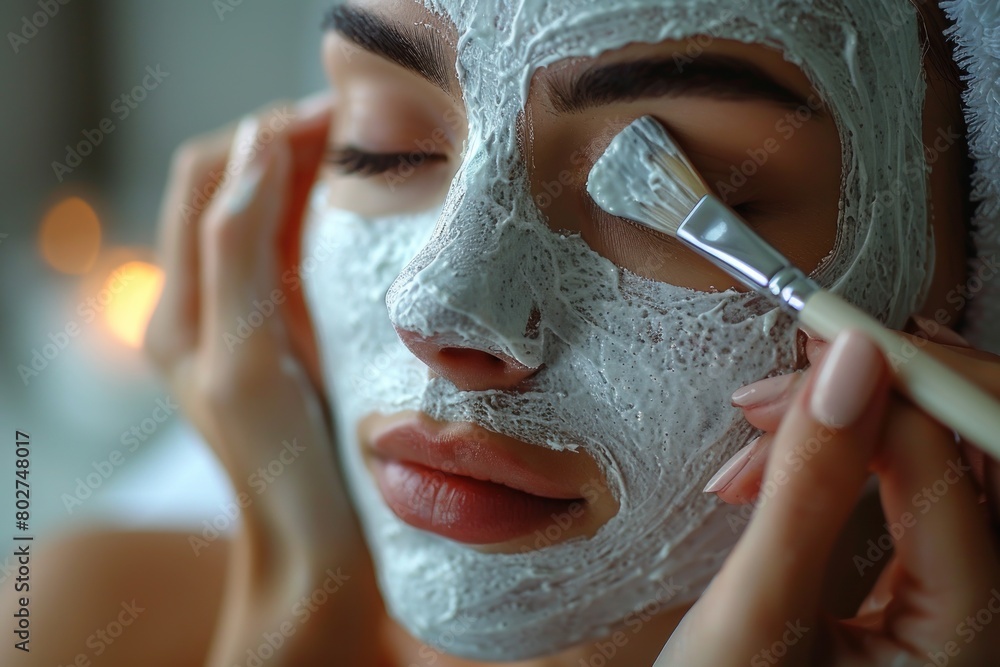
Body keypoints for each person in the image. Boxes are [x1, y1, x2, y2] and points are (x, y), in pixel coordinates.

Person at [12, 1, 1000, 665]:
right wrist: (295, 606)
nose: (436, 307)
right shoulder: (80, 620)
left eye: (707, 183)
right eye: (384, 146)